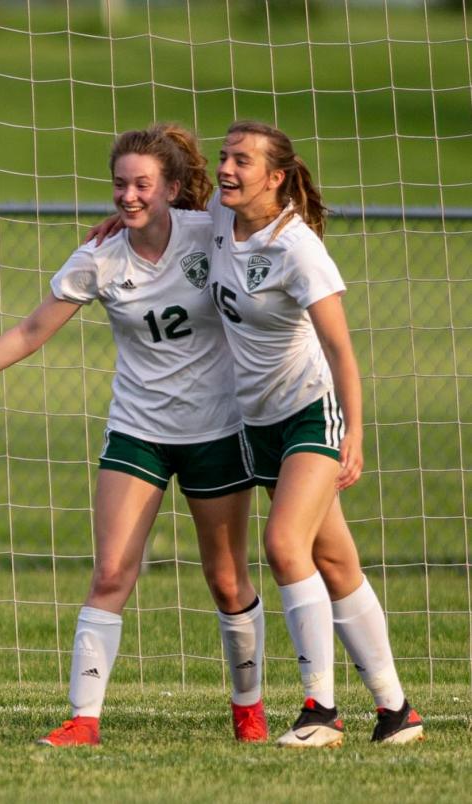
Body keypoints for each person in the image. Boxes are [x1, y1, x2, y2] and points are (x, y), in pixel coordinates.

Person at [0, 125, 268, 747]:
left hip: (217, 430)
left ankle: (249, 711)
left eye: (142, 184)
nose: (128, 195)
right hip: (138, 431)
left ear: (173, 188)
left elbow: (263, 208)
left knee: (227, 579)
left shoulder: (211, 232)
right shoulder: (99, 257)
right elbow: (29, 332)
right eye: (120, 183)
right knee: (110, 573)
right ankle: (84, 718)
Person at [207, 120, 423, 746]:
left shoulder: (298, 248)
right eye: (223, 156)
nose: (226, 168)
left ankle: (320, 710)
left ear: (275, 178)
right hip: (259, 424)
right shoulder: (220, 221)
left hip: (310, 413)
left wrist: (353, 431)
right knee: (333, 558)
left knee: (282, 544)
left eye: (241, 161)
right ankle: (396, 711)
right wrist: (119, 224)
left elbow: (339, 346)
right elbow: (165, 222)